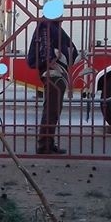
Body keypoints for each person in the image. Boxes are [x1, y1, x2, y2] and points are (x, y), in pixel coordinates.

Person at [27, 12, 78, 154]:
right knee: (52, 109)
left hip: (57, 72)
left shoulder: (51, 26)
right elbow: (45, 47)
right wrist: (51, 62)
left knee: (54, 109)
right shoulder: (47, 26)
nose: (62, 16)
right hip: (53, 72)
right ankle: (44, 145)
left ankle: (48, 143)